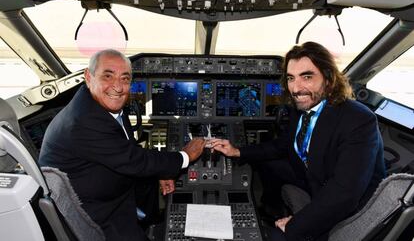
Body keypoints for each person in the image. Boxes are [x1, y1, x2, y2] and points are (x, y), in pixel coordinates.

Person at [209, 42, 385, 241]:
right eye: (291, 78)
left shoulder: (358, 120)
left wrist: (295, 225)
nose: (296, 88)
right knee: (268, 164)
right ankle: (270, 211)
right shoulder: (302, 108)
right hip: (315, 177)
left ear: (328, 79)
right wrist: (238, 151)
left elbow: (344, 194)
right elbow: (282, 146)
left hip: (351, 211)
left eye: (307, 77)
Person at [38, 49, 206, 240]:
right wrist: (185, 156)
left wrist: (162, 171)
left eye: (125, 79)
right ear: (88, 76)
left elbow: (126, 152)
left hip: (106, 189)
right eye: (107, 76)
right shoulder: (83, 121)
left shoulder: (101, 105)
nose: (117, 87)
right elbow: (134, 160)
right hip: (96, 216)